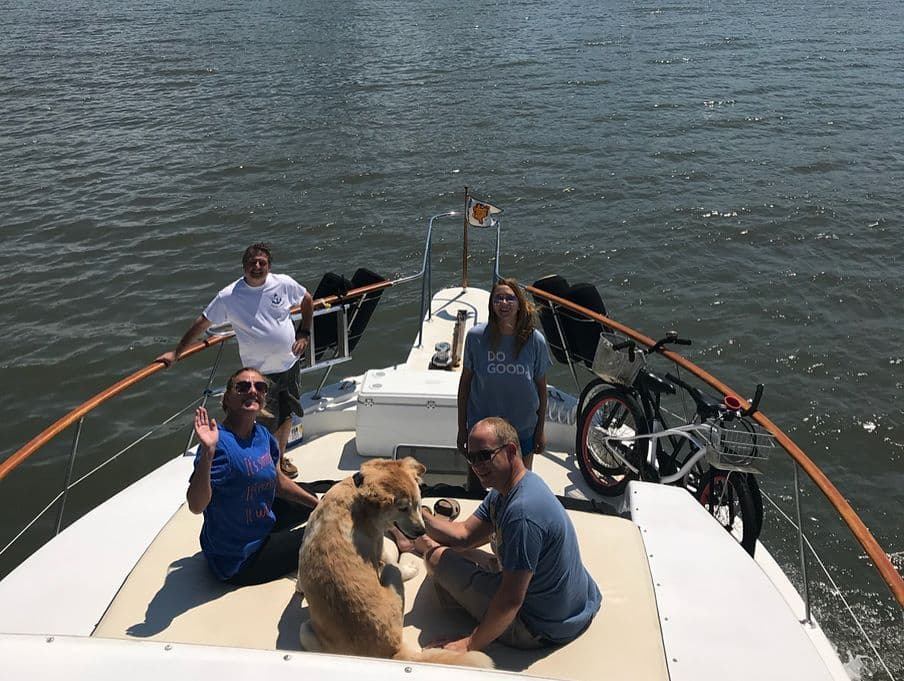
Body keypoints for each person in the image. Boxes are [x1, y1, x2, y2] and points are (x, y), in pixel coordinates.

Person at [409, 417, 602, 652]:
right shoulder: (509, 489)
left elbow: (511, 601)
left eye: (484, 456)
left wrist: (469, 644)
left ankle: (419, 543)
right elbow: (465, 535)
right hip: (569, 605)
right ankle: (420, 540)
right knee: (462, 550)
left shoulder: (522, 514)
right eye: (471, 457)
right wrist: (414, 510)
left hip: (537, 627)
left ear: (510, 450)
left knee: (435, 558)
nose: (476, 465)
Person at [157, 243, 314, 478]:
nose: (257, 266)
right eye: (252, 262)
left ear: (269, 266)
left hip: (290, 364)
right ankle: (263, 468)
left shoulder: (283, 283)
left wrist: (304, 332)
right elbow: (202, 322)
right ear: (244, 267)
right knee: (260, 425)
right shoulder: (229, 296)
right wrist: (176, 353)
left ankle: (279, 461)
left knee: (288, 413)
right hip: (259, 375)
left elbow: (307, 299)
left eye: (262, 262)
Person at [188, 367, 320, 585]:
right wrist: (208, 455)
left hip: (261, 521)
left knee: (312, 497)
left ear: (264, 398)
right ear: (227, 399)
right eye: (242, 387)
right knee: (321, 533)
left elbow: (278, 482)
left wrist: (318, 505)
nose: (252, 391)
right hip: (239, 558)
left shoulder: (262, 435)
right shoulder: (219, 445)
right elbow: (196, 505)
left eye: (260, 387)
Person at [457, 278, 551, 472]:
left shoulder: (535, 341)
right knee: (479, 483)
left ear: (520, 305)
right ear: (492, 305)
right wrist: (462, 429)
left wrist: (540, 431)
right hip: (482, 430)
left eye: (510, 298)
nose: (504, 303)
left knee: (521, 484)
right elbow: (465, 384)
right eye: (498, 298)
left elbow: (542, 389)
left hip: (523, 430)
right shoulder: (476, 337)